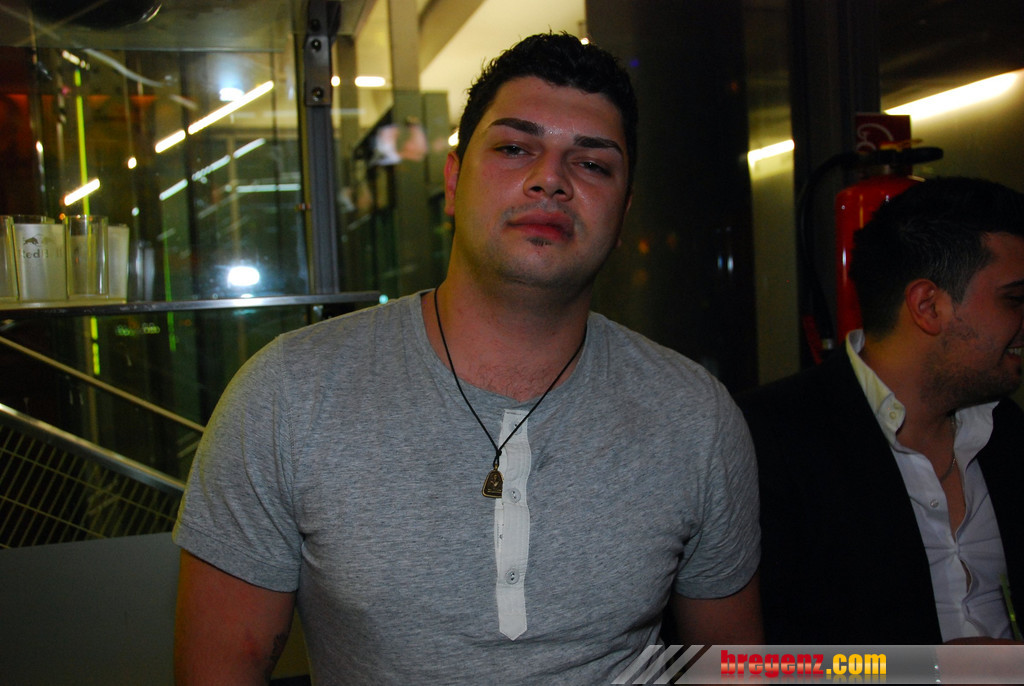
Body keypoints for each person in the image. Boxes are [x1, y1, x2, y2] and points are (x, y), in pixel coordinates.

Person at [173, 32, 762, 684]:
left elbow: (731, 667)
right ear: (453, 182)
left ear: (623, 214)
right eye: (514, 149)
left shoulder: (695, 419)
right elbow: (221, 666)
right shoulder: (291, 394)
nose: (551, 179)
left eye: (592, 164)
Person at [740, 176, 1024, 644]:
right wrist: (925, 672)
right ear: (928, 306)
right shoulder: (769, 442)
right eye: (1014, 299)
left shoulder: (1008, 431)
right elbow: (733, 664)